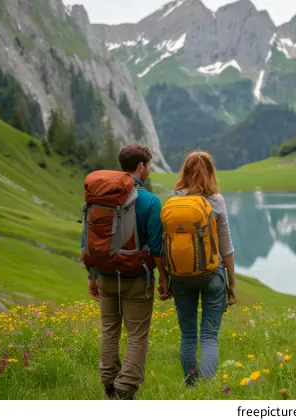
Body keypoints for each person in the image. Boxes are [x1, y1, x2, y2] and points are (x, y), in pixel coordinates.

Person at [83, 144, 171, 400]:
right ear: (141, 166)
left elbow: (87, 240)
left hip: (104, 273)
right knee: (137, 336)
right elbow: (156, 247)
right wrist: (164, 278)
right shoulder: (150, 200)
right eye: (149, 166)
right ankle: (125, 390)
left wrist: (92, 275)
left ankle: (109, 385)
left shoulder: (99, 196)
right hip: (137, 277)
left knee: (109, 330)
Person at [167, 151, 237, 387]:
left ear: (184, 172)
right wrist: (232, 283)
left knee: (188, 335)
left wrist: (165, 278)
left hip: (180, 276)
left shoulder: (175, 200)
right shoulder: (216, 200)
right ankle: (207, 389)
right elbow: (226, 245)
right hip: (212, 274)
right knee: (209, 336)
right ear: (210, 172)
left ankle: (190, 383)